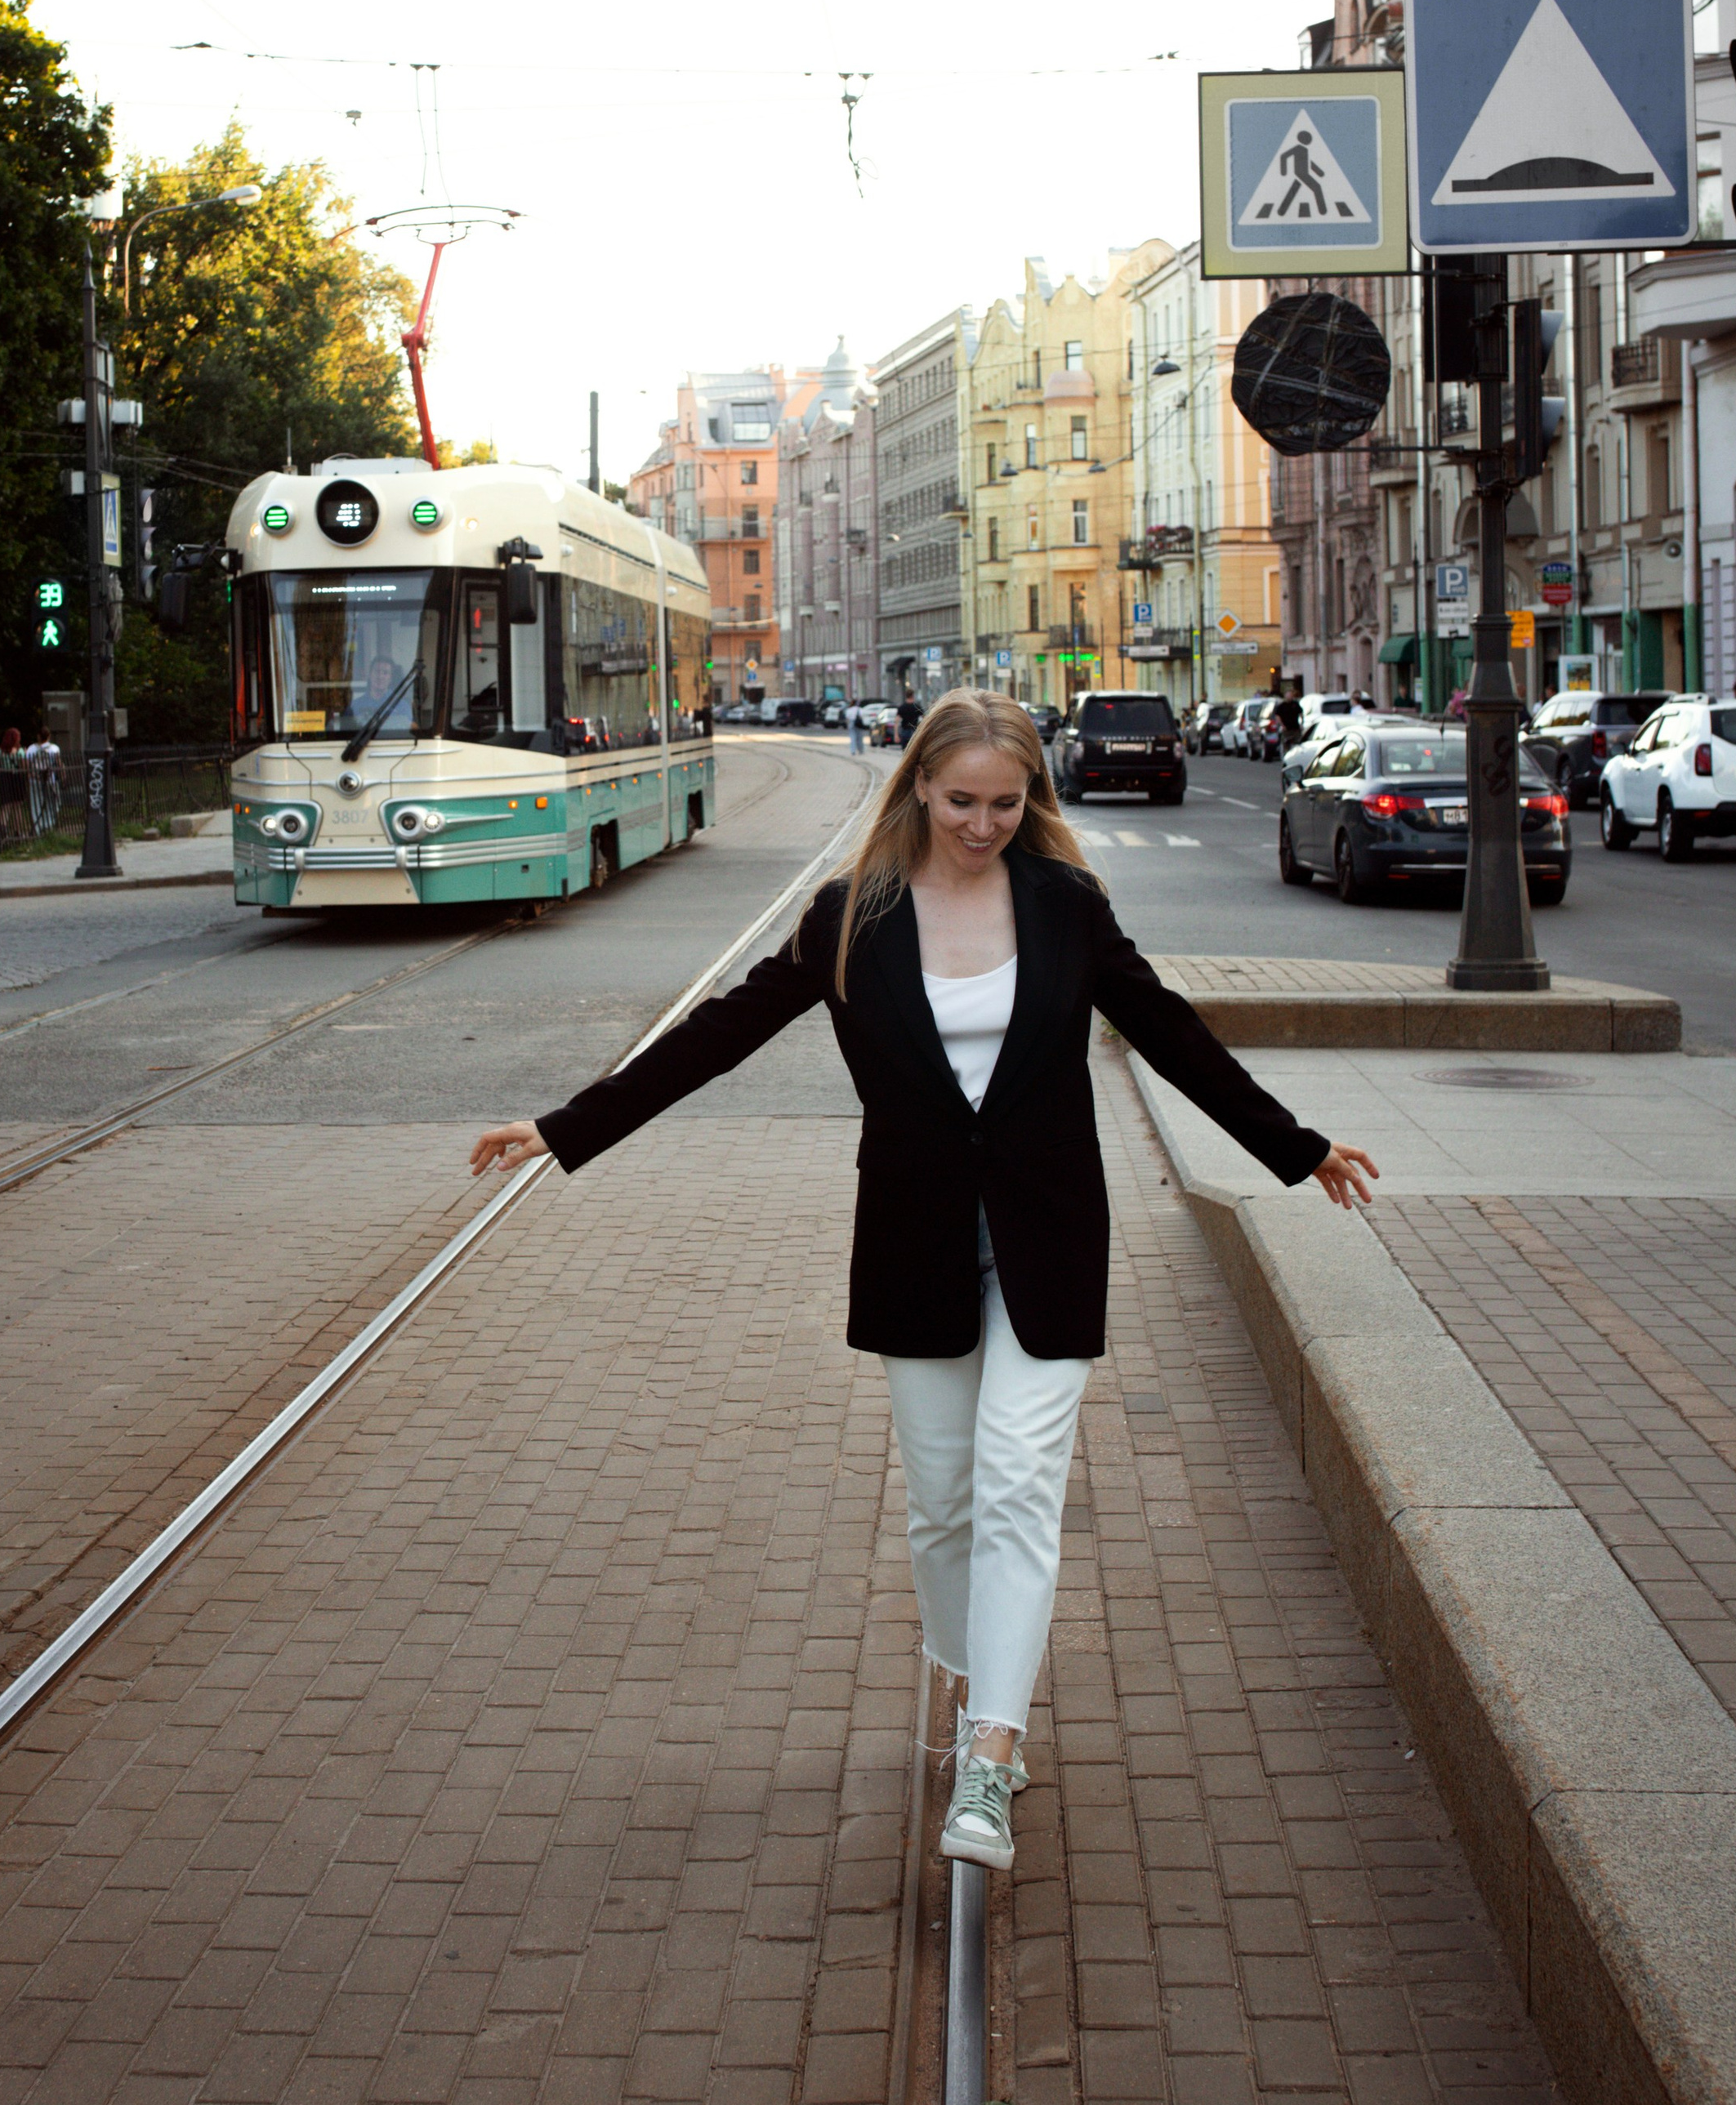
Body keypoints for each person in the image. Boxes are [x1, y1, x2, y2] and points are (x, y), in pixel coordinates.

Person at [471, 691, 1377, 1876]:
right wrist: (563, 1128)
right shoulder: (855, 917)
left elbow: (1169, 1031)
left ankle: (991, 1752)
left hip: (1050, 1234)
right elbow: (720, 1033)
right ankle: (975, 1677)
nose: (986, 825)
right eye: (963, 802)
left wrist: (1296, 1148)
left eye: (1008, 804)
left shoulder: (1063, 903)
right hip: (916, 1240)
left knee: (1014, 1488)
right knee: (945, 1504)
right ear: (918, 790)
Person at [0, 727, 29, 847]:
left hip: (4, 777)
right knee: (17, 806)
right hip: (16, 778)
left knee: (6, 806)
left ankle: (2, 829)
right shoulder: (20, 751)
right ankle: (17, 831)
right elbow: (24, 767)